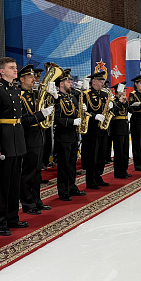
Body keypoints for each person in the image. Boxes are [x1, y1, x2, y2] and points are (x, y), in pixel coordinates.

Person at [0, 57, 28, 236]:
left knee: (14, 183)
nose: (15, 70)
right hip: (3, 141)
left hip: (16, 140)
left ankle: (12, 217)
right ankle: (0, 222)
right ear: (2, 71)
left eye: (15, 67)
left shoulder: (15, 90)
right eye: (11, 67)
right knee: (1, 185)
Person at [17, 63, 55, 215]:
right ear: (21, 79)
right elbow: (23, 121)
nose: (34, 79)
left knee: (37, 173)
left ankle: (36, 200)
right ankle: (27, 203)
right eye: (30, 76)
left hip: (39, 137)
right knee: (28, 173)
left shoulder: (35, 94)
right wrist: (41, 115)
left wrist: (53, 97)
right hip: (28, 138)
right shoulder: (19, 96)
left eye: (34, 76)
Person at [53, 70, 86, 200]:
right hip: (63, 136)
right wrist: (72, 122)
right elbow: (55, 119)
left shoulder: (72, 97)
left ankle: (72, 187)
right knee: (64, 165)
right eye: (68, 81)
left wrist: (82, 111)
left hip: (73, 135)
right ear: (61, 84)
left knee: (72, 163)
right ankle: (63, 191)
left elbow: (76, 112)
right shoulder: (56, 98)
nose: (71, 84)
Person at [80, 71, 112, 189]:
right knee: (91, 155)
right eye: (100, 80)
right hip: (91, 130)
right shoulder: (86, 94)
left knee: (101, 155)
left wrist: (111, 108)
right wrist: (94, 116)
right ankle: (90, 179)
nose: (103, 83)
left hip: (103, 129)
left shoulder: (104, 94)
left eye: (103, 80)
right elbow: (83, 111)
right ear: (93, 82)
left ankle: (98, 176)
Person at [110, 83, 132, 179]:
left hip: (125, 128)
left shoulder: (124, 101)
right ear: (117, 92)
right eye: (123, 91)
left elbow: (131, 110)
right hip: (117, 128)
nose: (124, 93)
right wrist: (119, 102)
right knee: (119, 151)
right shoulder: (113, 101)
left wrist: (125, 103)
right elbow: (113, 112)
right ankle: (118, 172)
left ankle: (124, 170)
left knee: (125, 151)